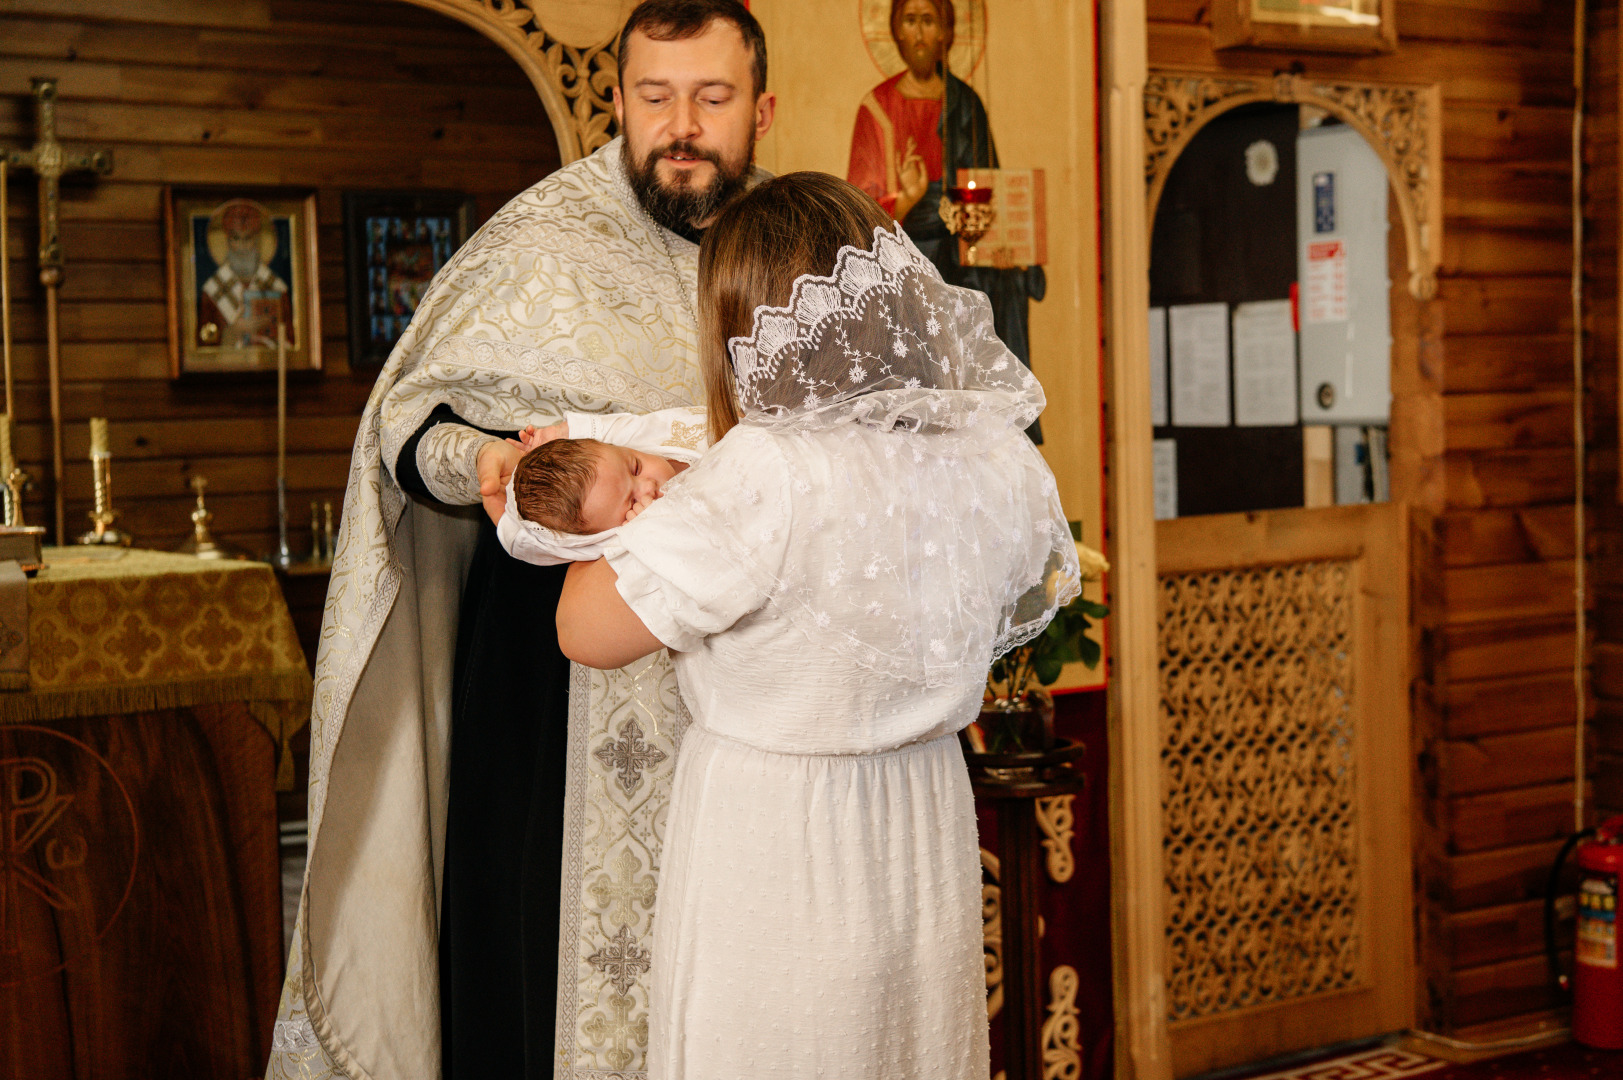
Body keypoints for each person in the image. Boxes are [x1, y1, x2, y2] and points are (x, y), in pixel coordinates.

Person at [264, 3, 774, 1079]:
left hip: (751, 702)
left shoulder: (797, 257)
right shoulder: (544, 242)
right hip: (552, 713)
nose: (681, 125)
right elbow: (407, 426)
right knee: (533, 987)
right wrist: (493, 467)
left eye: (711, 98)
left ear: (760, 110)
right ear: (619, 103)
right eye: (654, 97)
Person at [556, 172, 1079, 1079]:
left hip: (779, 841)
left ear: (739, 332)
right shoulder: (984, 454)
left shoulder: (765, 470)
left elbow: (588, 630)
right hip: (921, 818)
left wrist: (606, 510)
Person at [846, 0, 1046, 440]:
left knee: (999, 295)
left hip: (964, 256)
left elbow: (985, 189)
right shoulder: (876, 108)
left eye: (929, 22)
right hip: (905, 264)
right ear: (895, 31)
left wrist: (988, 225)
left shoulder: (965, 104)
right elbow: (856, 225)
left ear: (946, 33)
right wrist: (910, 196)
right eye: (910, 21)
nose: (919, 34)